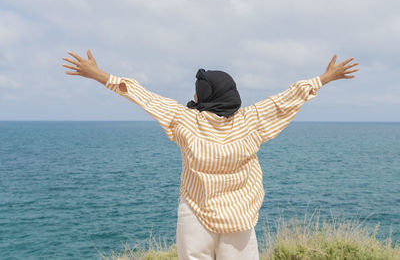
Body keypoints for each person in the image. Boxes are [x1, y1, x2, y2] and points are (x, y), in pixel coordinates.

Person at [62, 50, 359, 259]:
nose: (193, 96)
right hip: (239, 217)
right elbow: (288, 98)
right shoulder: (250, 120)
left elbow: (142, 95)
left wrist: (99, 75)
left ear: (204, 97)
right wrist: (324, 78)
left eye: (196, 92)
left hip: (194, 213)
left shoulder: (185, 120)